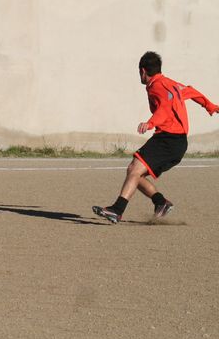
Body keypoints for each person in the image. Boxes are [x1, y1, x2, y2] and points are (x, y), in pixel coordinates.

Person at [93, 51, 217, 223]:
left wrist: (150, 123)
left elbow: (164, 108)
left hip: (168, 139)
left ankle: (117, 210)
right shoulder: (170, 83)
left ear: (143, 71)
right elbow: (191, 91)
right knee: (133, 171)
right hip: (175, 141)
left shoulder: (156, 87)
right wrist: (210, 105)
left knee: (134, 170)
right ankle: (161, 202)